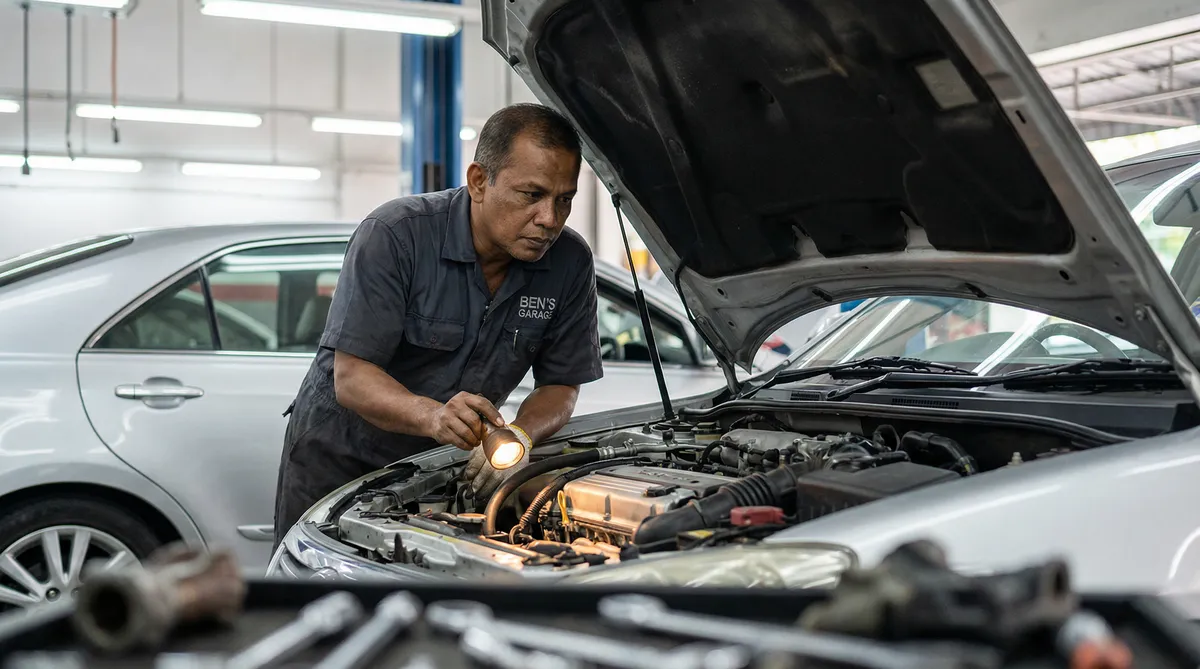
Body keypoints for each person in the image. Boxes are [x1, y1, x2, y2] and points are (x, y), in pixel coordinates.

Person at [273, 103, 603, 546]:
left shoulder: (569, 262)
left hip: (441, 469)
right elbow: (352, 378)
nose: (550, 219)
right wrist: (434, 416)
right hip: (339, 464)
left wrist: (520, 436)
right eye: (532, 195)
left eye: (564, 199)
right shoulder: (396, 235)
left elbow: (561, 386)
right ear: (479, 181)